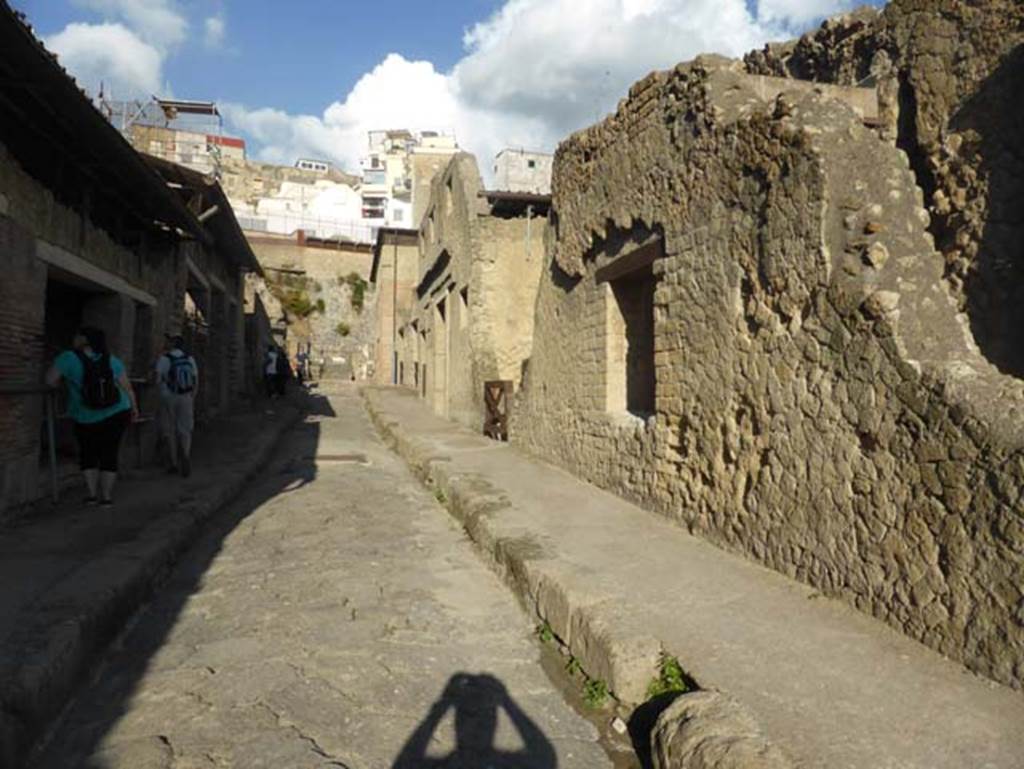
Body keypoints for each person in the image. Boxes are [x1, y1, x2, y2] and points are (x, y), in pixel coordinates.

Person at [46, 326, 138, 507]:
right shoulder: (111, 360)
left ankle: (92, 494)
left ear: (83, 340)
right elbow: (127, 388)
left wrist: (66, 384)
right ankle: (106, 497)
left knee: (88, 453)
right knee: (109, 453)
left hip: (84, 414)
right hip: (117, 411)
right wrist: (134, 408)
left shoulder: (68, 358)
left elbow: (49, 380)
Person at [155, 333, 198, 477]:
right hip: (186, 396)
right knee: (185, 429)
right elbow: (195, 380)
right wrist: (192, 396)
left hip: (168, 396)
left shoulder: (164, 359)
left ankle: (173, 462)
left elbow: (158, 379)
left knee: (170, 429)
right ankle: (185, 455)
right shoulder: (189, 359)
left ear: (172, 344)